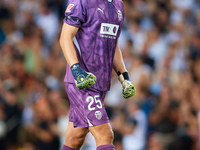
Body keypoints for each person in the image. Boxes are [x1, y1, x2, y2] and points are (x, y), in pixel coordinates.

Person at [59, 0, 136, 150]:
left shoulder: (118, 5)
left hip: (102, 83)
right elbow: (65, 37)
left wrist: (124, 77)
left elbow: (114, 46)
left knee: (75, 137)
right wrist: (76, 70)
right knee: (105, 135)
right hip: (82, 82)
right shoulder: (81, 1)